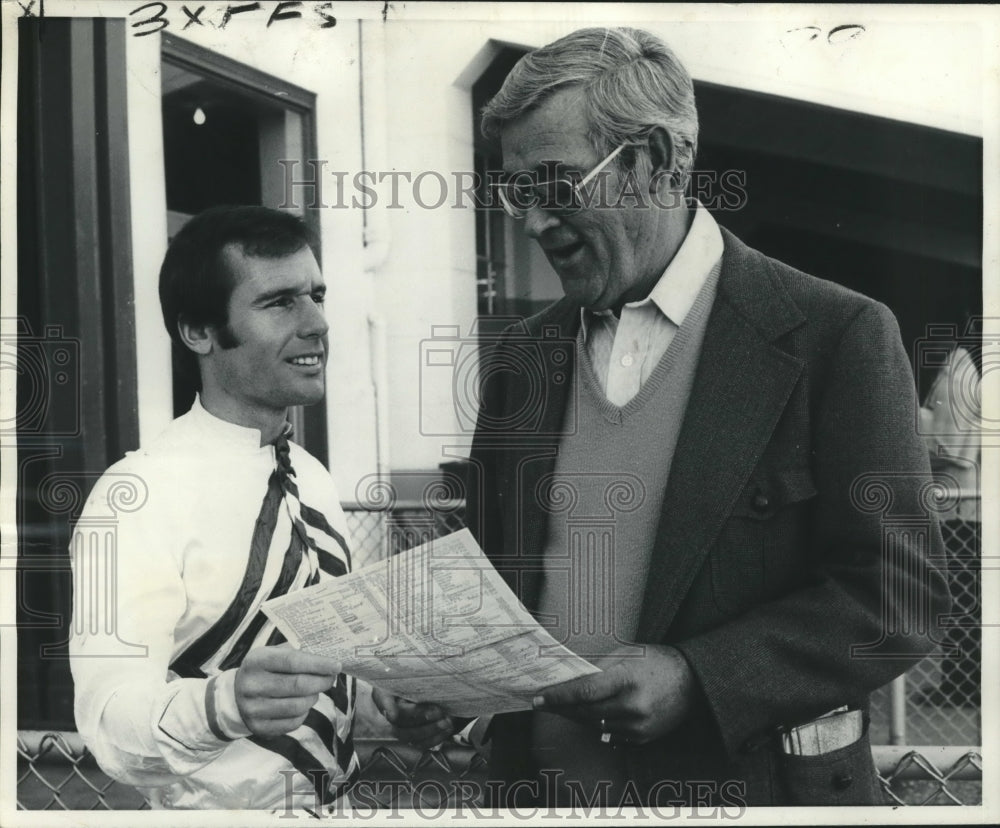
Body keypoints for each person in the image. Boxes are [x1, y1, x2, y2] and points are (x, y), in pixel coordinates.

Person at [378, 27, 949, 807]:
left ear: (653, 160)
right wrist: (442, 685)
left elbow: (898, 600)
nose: (534, 222)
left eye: (557, 186)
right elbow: (490, 590)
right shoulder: (523, 359)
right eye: (518, 193)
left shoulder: (836, 336)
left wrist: (700, 678)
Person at [70, 206, 357, 811]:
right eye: (280, 302)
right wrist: (224, 704)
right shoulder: (131, 498)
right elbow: (108, 722)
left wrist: (389, 708)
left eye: (317, 295)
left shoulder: (316, 480)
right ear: (198, 331)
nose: (317, 322)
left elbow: (323, 687)